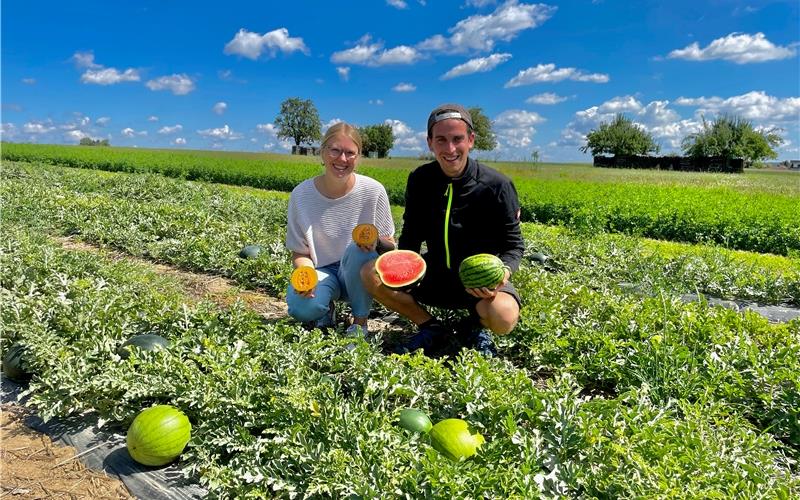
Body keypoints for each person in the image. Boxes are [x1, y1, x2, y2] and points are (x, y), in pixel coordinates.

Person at [362, 104, 524, 357]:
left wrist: (503, 272)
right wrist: (401, 263)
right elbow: (412, 234)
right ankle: (430, 327)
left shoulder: (497, 185)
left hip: (478, 284)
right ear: (430, 143)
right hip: (433, 275)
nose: (450, 149)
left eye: (457, 139)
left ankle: (472, 327)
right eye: (441, 140)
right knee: (370, 273)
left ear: (470, 140)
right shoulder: (420, 179)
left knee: (503, 316)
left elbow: (514, 245)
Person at [286, 122, 395, 337]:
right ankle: (325, 309)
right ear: (323, 151)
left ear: (358, 156)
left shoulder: (373, 191)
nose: (342, 159)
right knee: (301, 307)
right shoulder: (301, 195)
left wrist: (376, 243)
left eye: (350, 153)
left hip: (360, 271)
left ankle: (360, 322)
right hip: (324, 272)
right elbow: (300, 252)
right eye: (335, 150)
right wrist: (305, 274)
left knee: (357, 249)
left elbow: (390, 243)